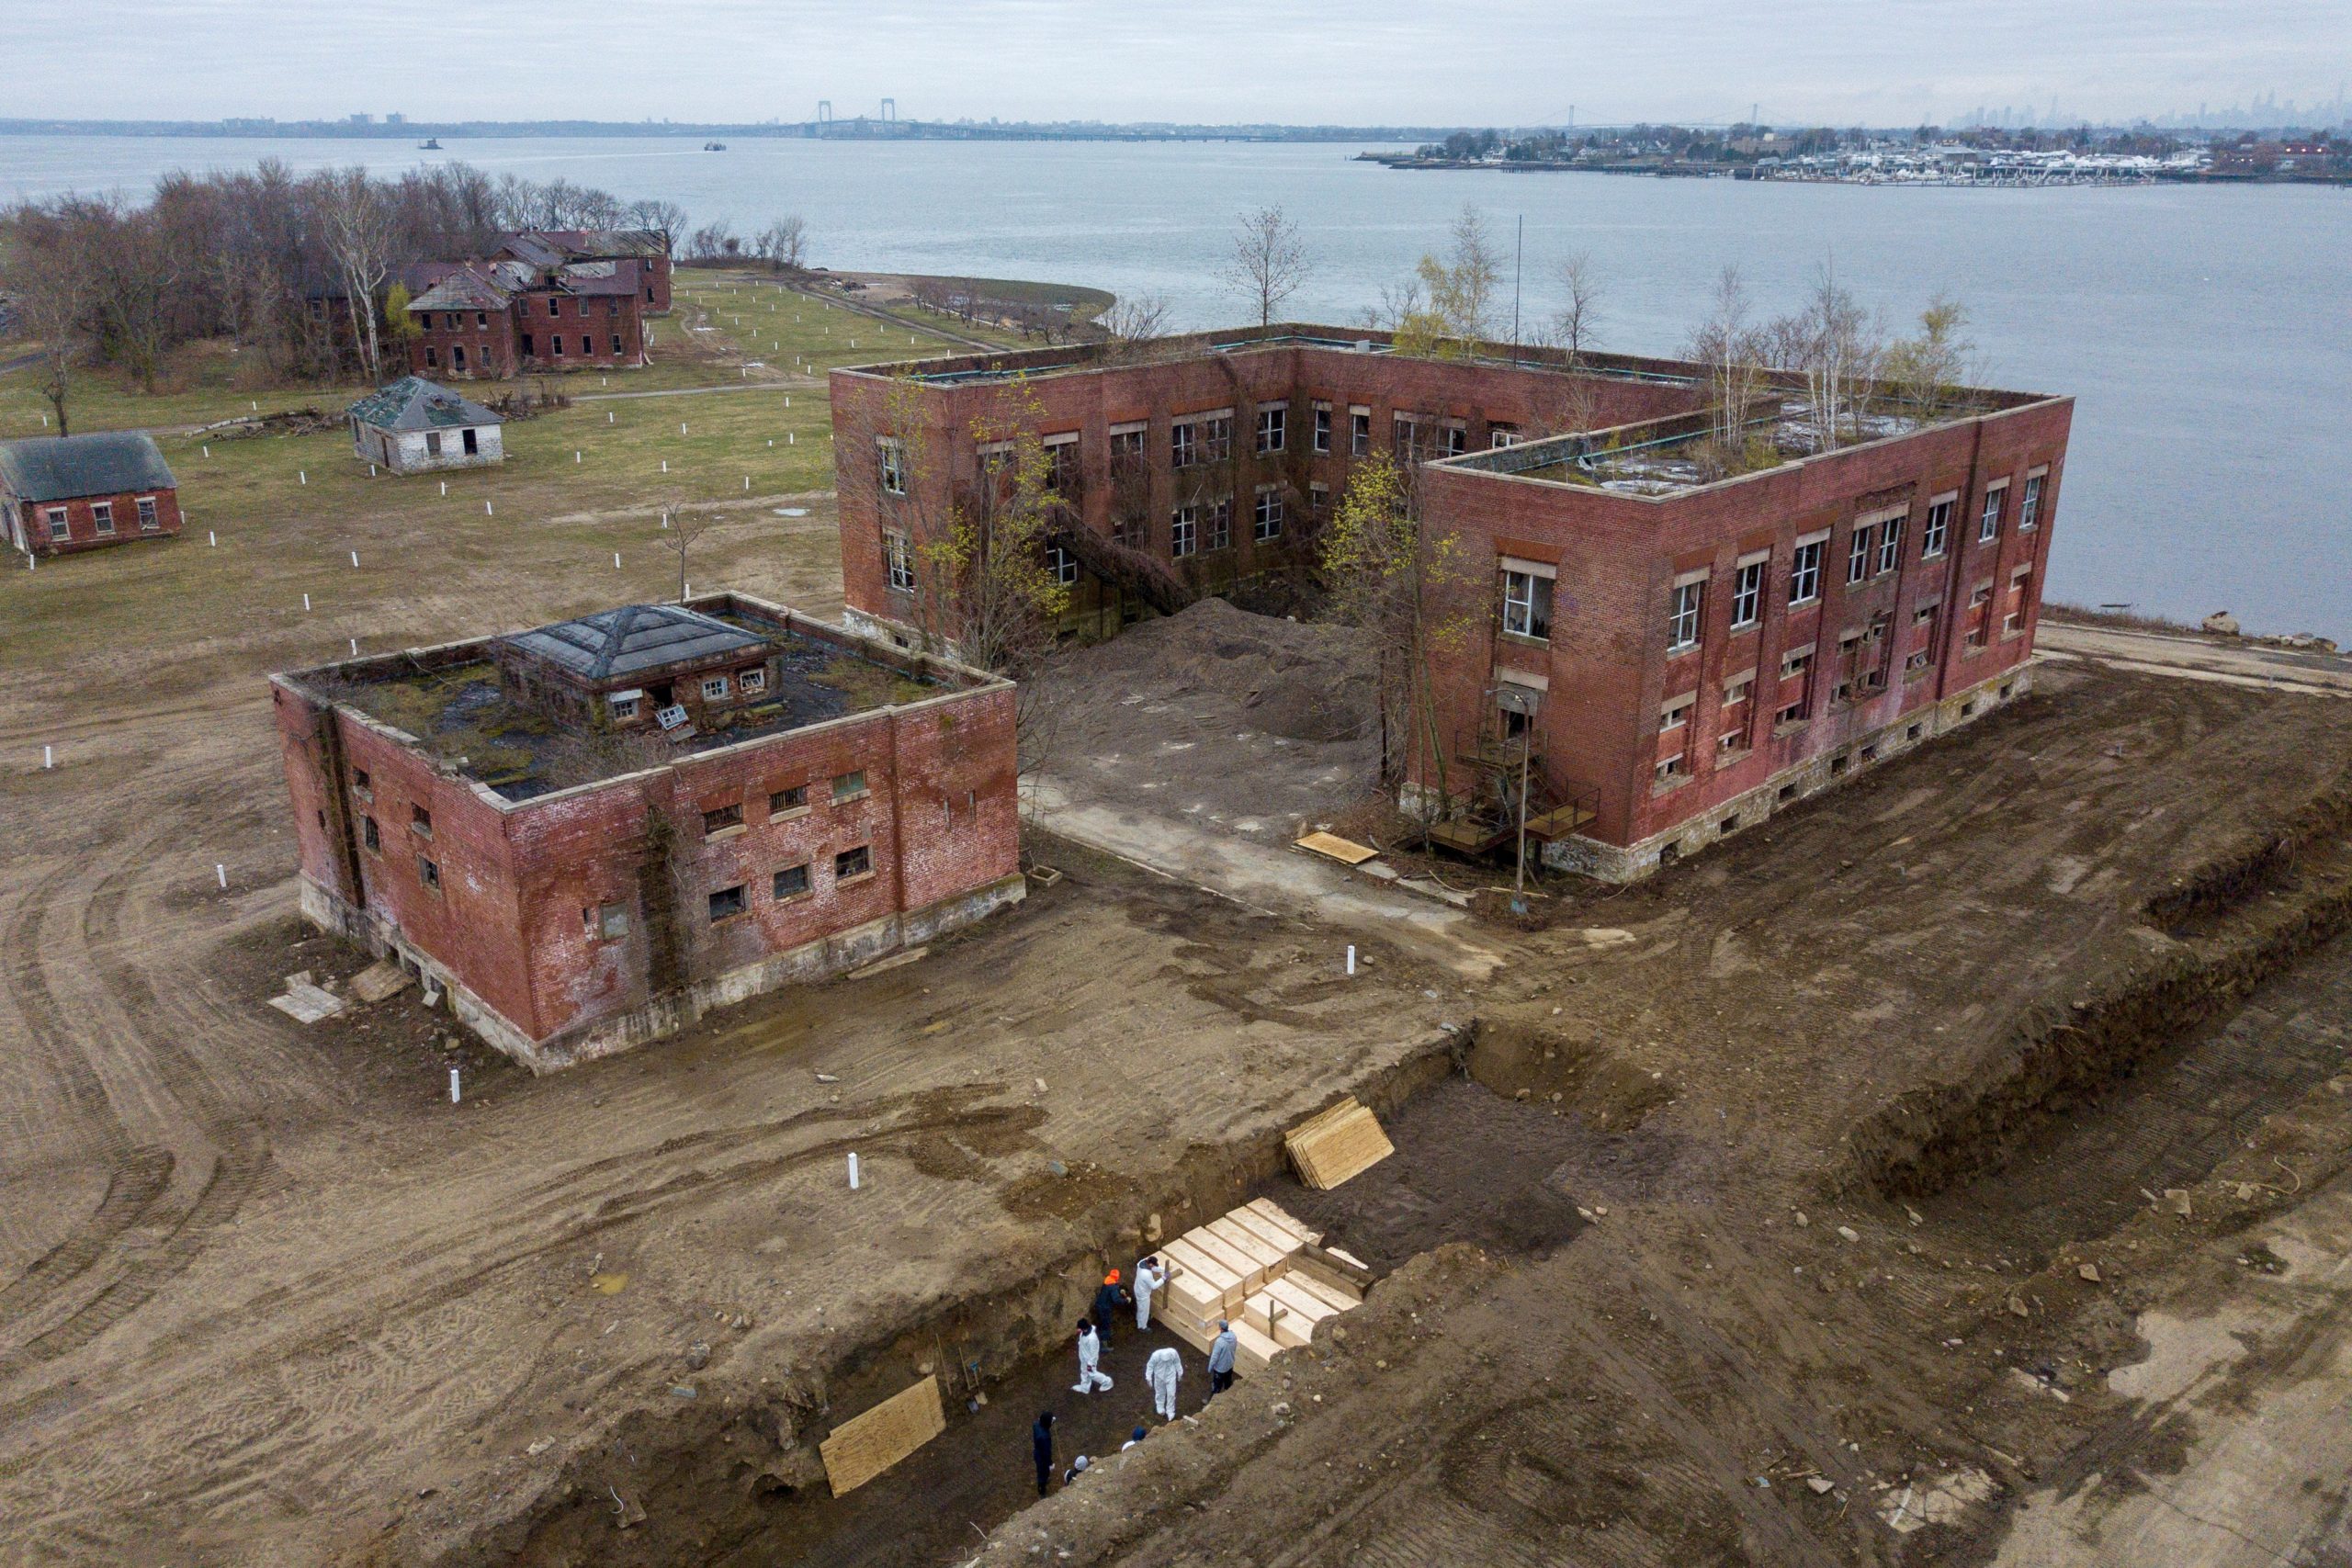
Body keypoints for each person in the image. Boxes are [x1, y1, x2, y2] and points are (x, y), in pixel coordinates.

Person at [1072, 1318, 1114, 1394]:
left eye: (1079, 1328)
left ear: (1083, 1328)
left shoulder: (1092, 1339)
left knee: (1092, 1373)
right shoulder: (1084, 1332)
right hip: (1084, 1357)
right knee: (1084, 1372)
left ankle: (1107, 1382)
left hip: (1089, 1360)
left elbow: (1094, 1353)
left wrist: (1090, 1364)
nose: (1078, 1330)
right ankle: (1085, 1388)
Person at [1092, 1269, 1131, 1348]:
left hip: (1100, 1305)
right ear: (1117, 1277)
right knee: (1106, 1324)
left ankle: (1103, 1337)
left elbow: (1111, 1290)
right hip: (1105, 1308)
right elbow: (1116, 1300)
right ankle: (1104, 1345)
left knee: (1102, 1323)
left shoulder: (1107, 1281)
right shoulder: (1113, 1287)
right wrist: (1126, 1300)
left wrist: (1119, 1290)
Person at [1145, 1344, 1184, 1419]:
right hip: (1159, 1377)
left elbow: (1177, 1362)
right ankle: (1160, 1406)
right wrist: (1148, 1378)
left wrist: (1180, 1373)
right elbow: (1150, 1366)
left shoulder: (1173, 1353)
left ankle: (1170, 1411)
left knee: (1171, 1393)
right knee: (1160, 1392)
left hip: (1171, 1376)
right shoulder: (1155, 1356)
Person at [1133, 1256, 1168, 1332]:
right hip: (1143, 1294)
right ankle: (1142, 1327)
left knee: (1141, 1307)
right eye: (1154, 1264)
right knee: (1144, 1309)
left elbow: (1154, 1268)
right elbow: (1154, 1286)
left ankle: (1139, 1319)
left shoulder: (1142, 1262)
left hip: (1138, 1288)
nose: (1154, 1266)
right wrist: (1164, 1278)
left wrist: (1164, 1270)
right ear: (1150, 1264)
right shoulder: (1146, 1274)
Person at [1205, 1319, 1238, 1398]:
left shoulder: (1220, 1342)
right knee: (1228, 1384)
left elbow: (1214, 1357)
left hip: (1220, 1369)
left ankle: (1211, 1403)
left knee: (1216, 1387)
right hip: (1230, 1365)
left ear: (1221, 1328)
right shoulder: (1233, 1337)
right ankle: (1229, 1398)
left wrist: (1210, 1368)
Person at [1031, 1411, 1056, 1498]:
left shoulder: (1036, 1424)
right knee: (1042, 1473)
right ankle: (1042, 1490)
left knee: (1043, 1471)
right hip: (1041, 1457)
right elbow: (1046, 1453)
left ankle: (1044, 1480)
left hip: (1037, 1451)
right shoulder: (1044, 1437)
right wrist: (1050, 1464)